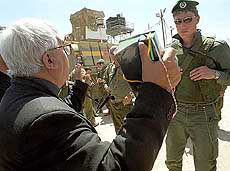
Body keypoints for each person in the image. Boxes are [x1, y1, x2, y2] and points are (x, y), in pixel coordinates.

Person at [0, 18, 181, 171]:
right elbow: (115, 166)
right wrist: (156, 91)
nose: (67, 53)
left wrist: (79, 86)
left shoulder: (15, 97)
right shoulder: (44, 119)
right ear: (49, 59)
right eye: (64, 47)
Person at [165, 1, 230, 171]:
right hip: (175, 113)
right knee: (172, 162)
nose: (182, 25)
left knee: (205, 165)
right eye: (178, 21)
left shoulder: (217, 47)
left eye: (187, 19)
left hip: (204, 114)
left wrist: (214, 74)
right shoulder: (169, 50)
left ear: (197, 19)